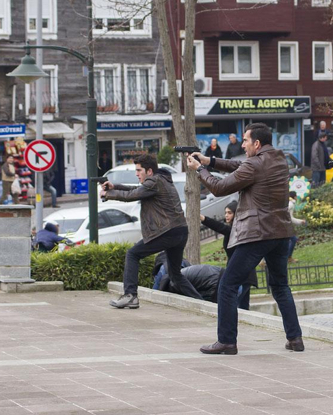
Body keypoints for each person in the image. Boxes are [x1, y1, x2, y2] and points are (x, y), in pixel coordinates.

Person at [186, 122, 303, 355]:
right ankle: (295, 339)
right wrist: (210, 160)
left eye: (246, 141)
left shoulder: (255, 164)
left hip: (258, 233)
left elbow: (219, 188)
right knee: (280, 286)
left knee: (228, 285)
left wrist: (200, 170)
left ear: (257, 143)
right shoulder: (278, 158)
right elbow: (240, 165)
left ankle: (227, 341)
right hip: (281, 232)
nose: (243, 144)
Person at [102, 153, 204, 309]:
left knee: (133, 253)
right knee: (175, 275)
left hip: (168, 231)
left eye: (139, 171)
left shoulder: (155, 181)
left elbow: (132, 195)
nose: (136, 174)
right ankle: (203, 304)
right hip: (180, 231)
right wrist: (114, 187)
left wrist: (108, 194)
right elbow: (137, 190)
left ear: (149, 171)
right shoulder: (160, 180)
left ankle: (130, 295)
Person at [200, 200, 258, 310]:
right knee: (242, 308)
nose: (226, 215)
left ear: (237, 214)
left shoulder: (237, 229)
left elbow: (220, 227)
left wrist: (203, 218)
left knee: (231, 305)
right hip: (242, 273)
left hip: (242, 274)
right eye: (226, 212)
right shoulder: (237, 228)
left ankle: (230, 326)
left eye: (230, 213)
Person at [287, 191, 306, 263]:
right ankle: (288, 258)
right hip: (285, 226)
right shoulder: (290, 204)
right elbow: (289, 218)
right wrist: (300, 221)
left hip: (285, 225)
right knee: (293, 240)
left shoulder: (290, 203)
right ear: (294, 197)